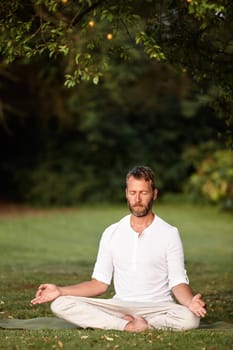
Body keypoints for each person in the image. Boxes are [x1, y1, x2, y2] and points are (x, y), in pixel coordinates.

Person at [31, 165, 206, 332]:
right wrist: (60, 290)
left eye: (143, 193)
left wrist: (190, 302)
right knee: (61, 303)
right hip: (120, 306)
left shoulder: (169, 233)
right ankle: (128, 325)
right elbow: (99, 284)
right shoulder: (111, 232)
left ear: (154, 194)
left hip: (158, 307)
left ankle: (139, 324)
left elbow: (177, 282)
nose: (137, 200)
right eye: (133, 193)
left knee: (190, 318)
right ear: (126, 194)